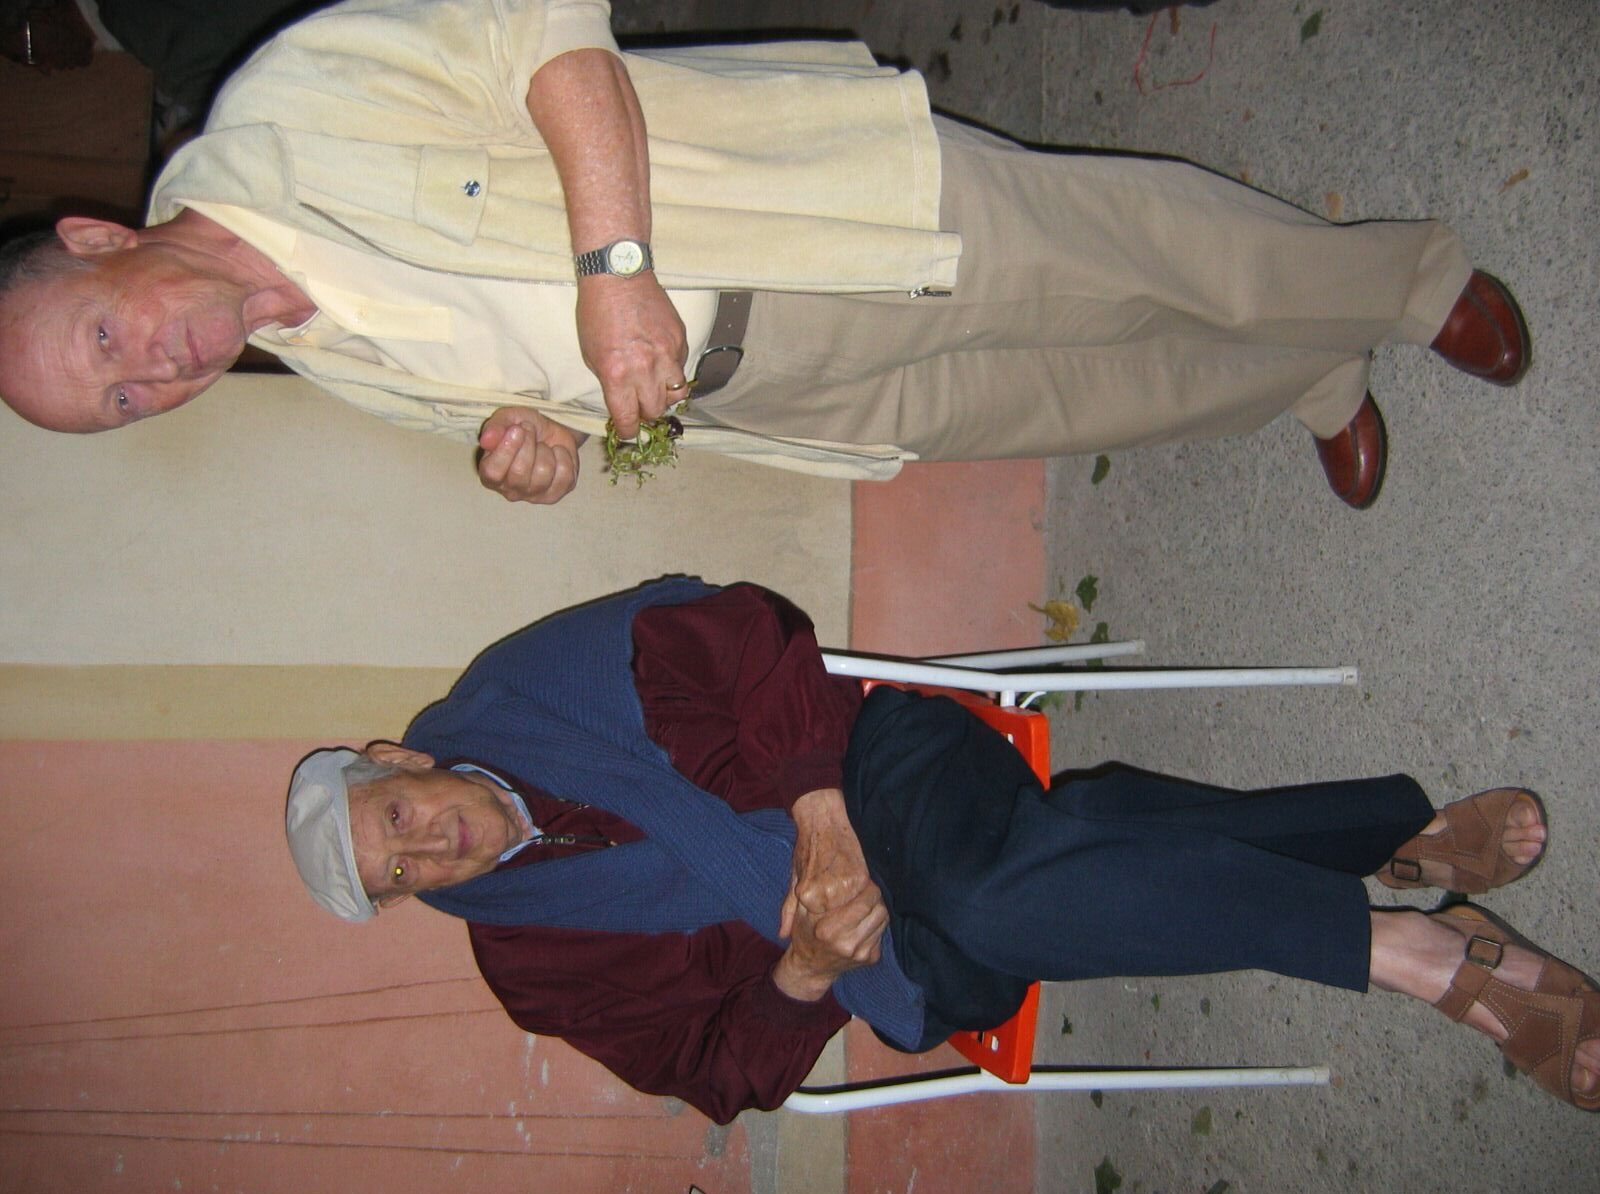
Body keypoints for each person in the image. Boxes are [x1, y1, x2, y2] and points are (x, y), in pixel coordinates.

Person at [0, 0, 1527, 511]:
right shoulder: (307, 349)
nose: (157, 376)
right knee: (1083, 395)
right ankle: (1306, 381)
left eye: (106, 344)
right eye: (123, 405)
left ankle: (1406, 284)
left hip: (791, 225)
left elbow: (538, 25)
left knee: (1124, 250)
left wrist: (613, 267)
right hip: (766, 399)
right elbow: (525, 372)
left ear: (97, 237)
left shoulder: (288, 105)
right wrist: (533, 442)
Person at [284, 578, 1598, 1123]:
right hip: (887, 969)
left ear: (397, 760)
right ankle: (1381, 841)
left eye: (396, 820)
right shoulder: (531, 964)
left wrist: (818, 816)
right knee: (1023, 882)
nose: (428, 851)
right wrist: (802, 970)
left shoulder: (522, 689)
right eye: (403, 879)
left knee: (989, 880)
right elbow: (712, 1072)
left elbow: (736, 633)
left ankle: (1408, 953)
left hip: (864, 774)